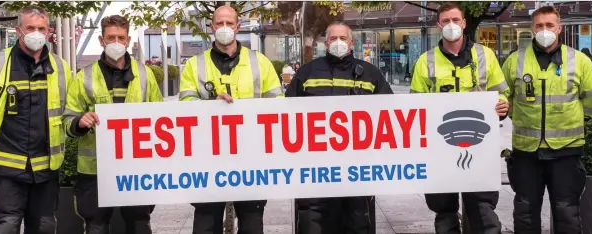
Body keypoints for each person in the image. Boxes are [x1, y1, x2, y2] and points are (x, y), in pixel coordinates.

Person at [178, 6, 283, 234]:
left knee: (252, 225)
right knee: (205, 224)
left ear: (238, 26)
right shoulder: (194, 65)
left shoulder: (260, 62)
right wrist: (211, 105)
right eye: (219, 23)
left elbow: (278, 107)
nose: (224, 28)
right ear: (211, 27)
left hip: (251, 160)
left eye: (229, 23)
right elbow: (185, 107)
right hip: (207, 161)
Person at [409, 3, 508, 234]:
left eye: (455, 20)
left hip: (480, 146)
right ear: (438, 25)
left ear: (464, 23)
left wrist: (503, 104)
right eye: (446, 21)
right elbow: (415, 105)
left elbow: (501, 91)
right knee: (444, 212)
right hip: (439, 149)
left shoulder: (486, 55)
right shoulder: (426, 61)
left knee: (483, 211)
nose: (451, 25)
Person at [501, 6, 592, 233]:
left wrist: (575, 120)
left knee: (567, 212)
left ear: (559, 28)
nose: (544, 30)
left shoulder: (579, 61)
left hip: (566, 151)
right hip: (526, 152)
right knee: (525, 212)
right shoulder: (515, 60)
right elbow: (503, 96)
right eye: (539, 25)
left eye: (549, 25)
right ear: (532, 28)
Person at [286, 21, 393, 234]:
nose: (338, 42)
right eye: (333, 39)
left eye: (343, 38)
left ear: (352, 43)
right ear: (325, 44)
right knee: (312, 225)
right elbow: (286, 114)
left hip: (356, 170)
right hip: (314, 171)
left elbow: (390, 115)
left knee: (357, 224)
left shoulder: (371, 74)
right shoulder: (307, 73)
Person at [0, 6, 72, 233]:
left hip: (46, 169)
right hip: (6, 170)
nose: (35, 33)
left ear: (48, 31)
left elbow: (68, 111)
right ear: (18, 30)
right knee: (5, 228)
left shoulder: (60, 68)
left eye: (41, 28)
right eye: (30, 28)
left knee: (44, 228)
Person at [62, 15, 161, 234]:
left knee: (139, 224)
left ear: (127, 40)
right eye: (110, 37)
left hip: (136, 168)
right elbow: (67, 120)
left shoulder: (145, 74)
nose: (116, 42)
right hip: (94, 170)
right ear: (101, 40)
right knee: (96, 226)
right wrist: (80, 122)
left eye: (120, 37)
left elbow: (160, 119)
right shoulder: (83, 77)